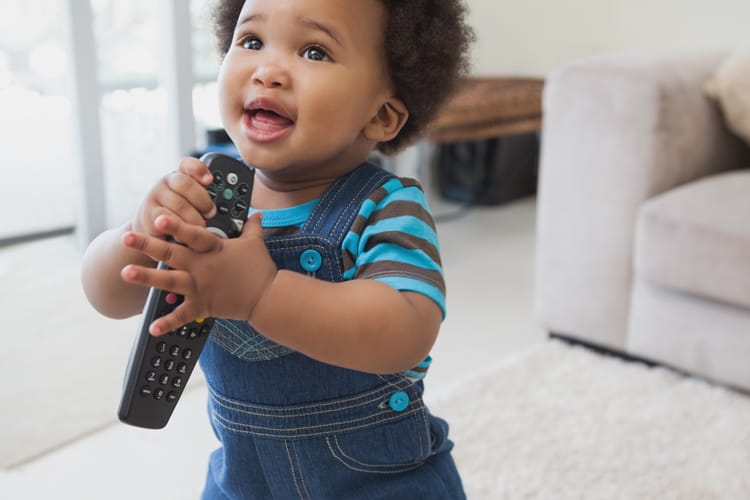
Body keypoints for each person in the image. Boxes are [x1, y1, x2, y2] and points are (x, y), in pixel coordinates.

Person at [81, 0, 473, 497]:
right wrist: (136, 235)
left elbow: (406, 330)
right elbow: (107, 296)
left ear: (382, 115)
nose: (268, 71)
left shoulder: (386, 206)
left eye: (313, 51)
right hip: (245, 482)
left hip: (379, 484)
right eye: (251, 42)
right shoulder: (206, 193)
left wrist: (263, 294)